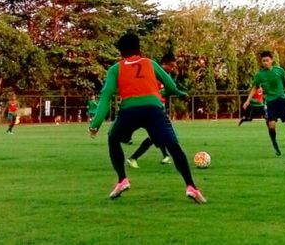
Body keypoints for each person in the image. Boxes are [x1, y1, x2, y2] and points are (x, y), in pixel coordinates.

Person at [88, 34, 206, 203]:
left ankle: (122, 180)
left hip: (129, 111)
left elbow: (106, 96)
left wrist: (95, 124)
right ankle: (191, 187)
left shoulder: (115, 69)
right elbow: (171, 86)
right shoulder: (150, 63)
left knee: (113, 138)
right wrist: (179, 92)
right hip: (154, 110)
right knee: (173, 146)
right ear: (139, 48)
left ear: (121, 52)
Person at [126, 52, 178, 168]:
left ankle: (165, 156)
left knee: (158, 135)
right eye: (171, 66)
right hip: (150, 110)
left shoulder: (166, 76)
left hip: (157, 109)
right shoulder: (153, 74)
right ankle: (133, 157)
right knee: (158, 135)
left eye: (174, 66)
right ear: (163, 64)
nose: (172, 68)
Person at [242, 50, 285, 156]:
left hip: (282, 100)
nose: (265, 62)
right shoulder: (260, 75)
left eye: (267, 60)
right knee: (271, 125)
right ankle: (275, 144)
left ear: (272, 60)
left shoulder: (279, 71)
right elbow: (255, 87)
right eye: (263, 61)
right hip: (270, 102)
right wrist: (248, 100)